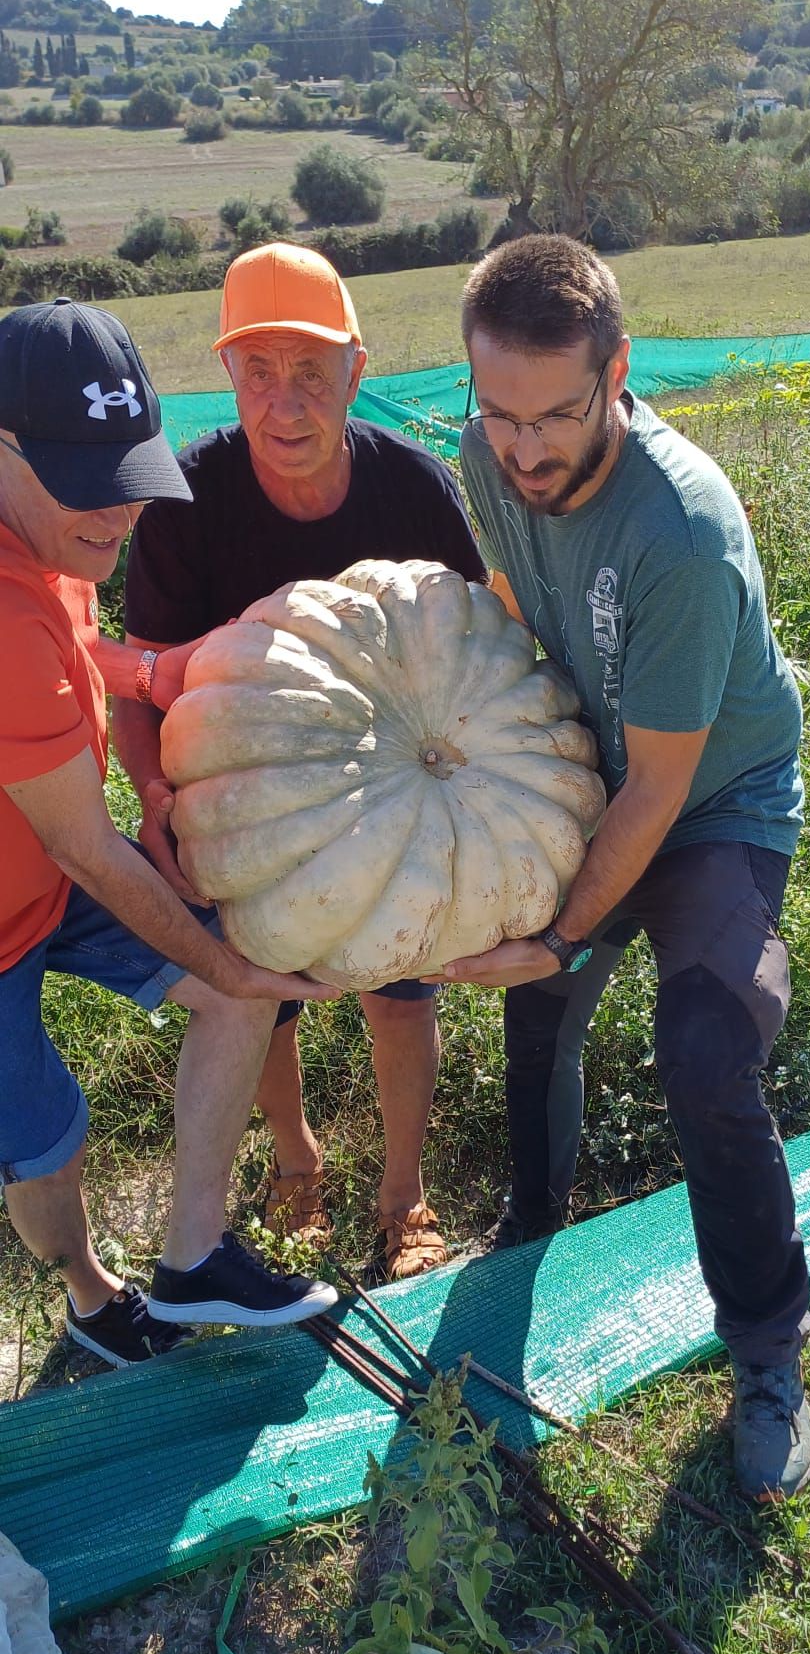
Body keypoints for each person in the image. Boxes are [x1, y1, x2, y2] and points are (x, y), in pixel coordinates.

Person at [442, 235, 810, 1501]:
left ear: (618, 372)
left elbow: (661, 787)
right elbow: (508, 610)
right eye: (501, 413)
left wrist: (554, 927)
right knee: (535, 1023)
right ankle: (529, 1225)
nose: (526, 449)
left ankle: (768, 1349)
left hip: (714, 797)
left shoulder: (681, 527)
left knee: (709, 1052)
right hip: (591, 768)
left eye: (557, 413)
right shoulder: (485, 457)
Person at [114, 241, 486, 1281]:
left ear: (356, 371)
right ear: (228, 375)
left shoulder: (414, 491)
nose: (286, 402)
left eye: (311, 371)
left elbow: (477, 654)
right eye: (259, 372)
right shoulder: (186, 500)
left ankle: (402, 1191)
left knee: (400, 997)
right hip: (244, 805)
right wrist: (152, 797)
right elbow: (135, 677)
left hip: (407, 793)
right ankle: (294, 1161)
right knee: (264, 991)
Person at [0, 296, 341, 1371]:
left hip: (42, 870)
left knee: (237, 987)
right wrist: (232, 965)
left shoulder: (45, 535)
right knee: (47, 1142)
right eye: (90, 489)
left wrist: (156, 669)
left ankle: (192, 1258)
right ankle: (92, 1300)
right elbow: (85, 846)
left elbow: (69, 656)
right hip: (28, 886)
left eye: (129, 479)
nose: (120, 517)